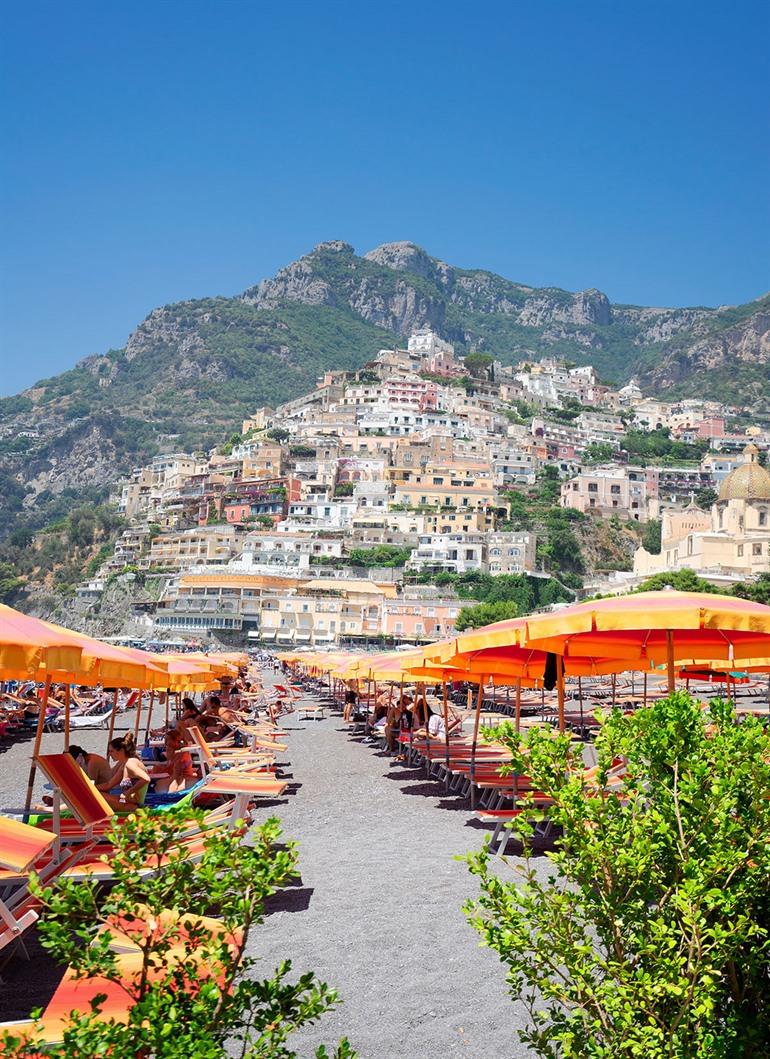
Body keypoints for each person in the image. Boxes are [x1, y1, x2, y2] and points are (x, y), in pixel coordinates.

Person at [97, 733, 150, 810]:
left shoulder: (130, 763)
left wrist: (128, 792)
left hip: (133, 805)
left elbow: (146, 779)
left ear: (121, 751)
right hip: (127, 801)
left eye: (112, 751)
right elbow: (108, 785)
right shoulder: (124, 764)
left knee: (98, 797)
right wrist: (90, 787)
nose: (109, 754)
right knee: (96, 794)